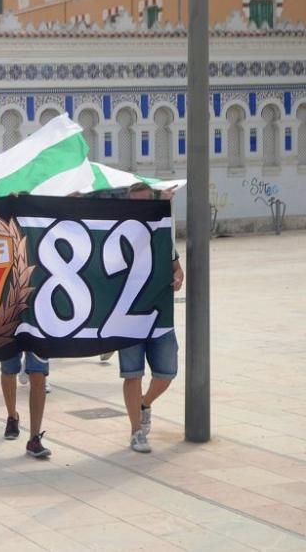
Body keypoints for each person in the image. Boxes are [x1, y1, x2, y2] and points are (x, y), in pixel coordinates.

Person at [119, 183, 184, 453]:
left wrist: (178, 277)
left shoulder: (161, 236)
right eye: (138, 203)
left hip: (160, 315)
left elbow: (176, 268)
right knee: (132, 374)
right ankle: (136, 431)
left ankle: (144, 404)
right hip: (129, 317)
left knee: (167, 373)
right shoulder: (119, 236)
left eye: (147, 202)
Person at [0, 351, 52, 458]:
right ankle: (12, 417)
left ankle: (34, 439)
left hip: (37, 334)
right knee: (8, 370)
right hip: (10, 334)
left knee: (38, 373)